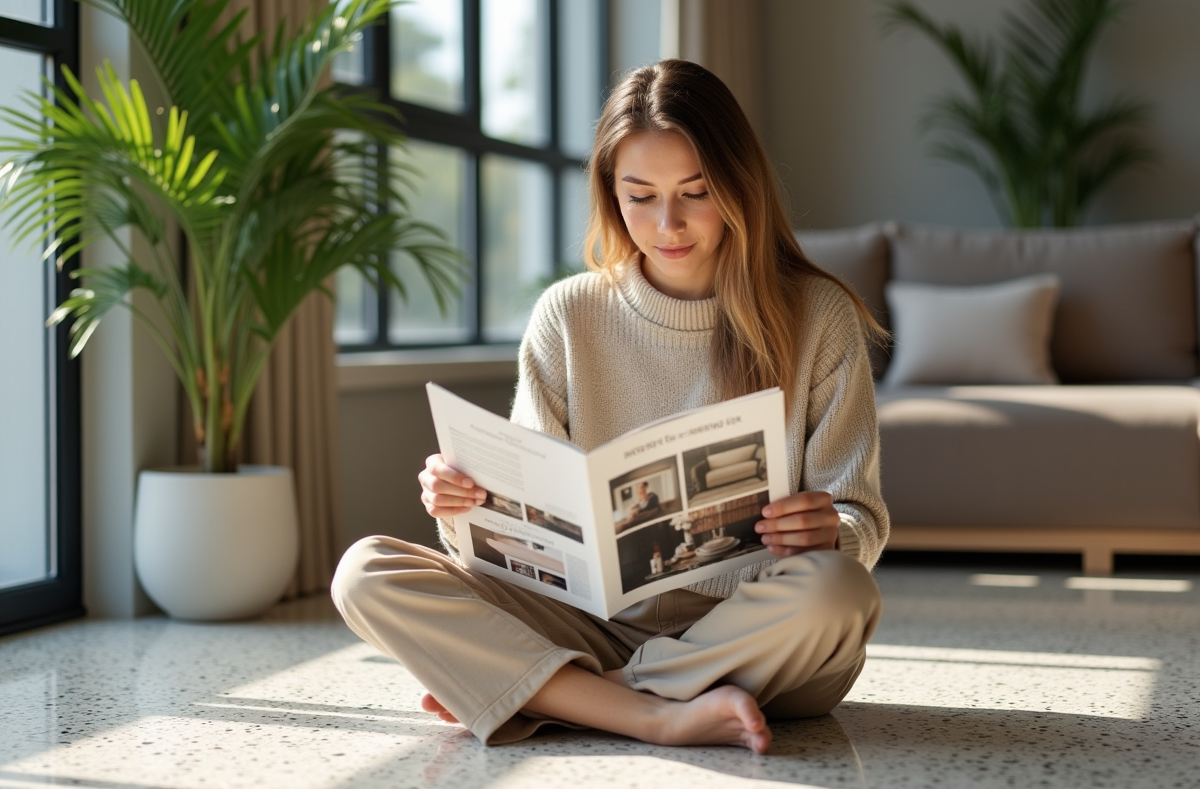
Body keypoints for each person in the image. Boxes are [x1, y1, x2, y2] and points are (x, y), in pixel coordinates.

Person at [332, 59, 889, 755]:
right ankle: (654, 714)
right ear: (609, 194)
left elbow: (858, 518)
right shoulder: (569, 314)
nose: (668, 223)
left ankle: (569, 694)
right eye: (640, 196)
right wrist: (464, 509)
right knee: (365, 571)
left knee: (839, 593)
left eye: (696, 192)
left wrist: (827, 530)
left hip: (761, 635)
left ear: (739, 185)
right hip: (589, 621)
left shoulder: (818, 314)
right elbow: (529, 546)